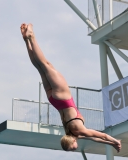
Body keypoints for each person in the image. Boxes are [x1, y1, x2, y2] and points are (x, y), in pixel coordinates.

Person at [20, 23, 121, 152]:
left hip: (63, 98)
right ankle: (26, 41)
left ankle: (31, 37)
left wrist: (114, 141)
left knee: (45, 64)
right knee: (40, 68)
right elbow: (96, 139)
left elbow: (102, 135)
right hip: (54, 100)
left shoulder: (78, 131)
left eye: (72, 148)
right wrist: (111, 144)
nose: (74, 149)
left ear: (71, 141)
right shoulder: (73, 132)